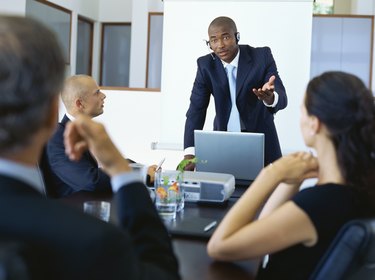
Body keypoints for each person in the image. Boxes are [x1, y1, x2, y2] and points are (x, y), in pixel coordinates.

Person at [0, 15, 180, 280]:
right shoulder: (96, 243)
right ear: (53, 112)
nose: (104, 95)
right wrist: (124, 173)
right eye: (98, 91)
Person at [207, 71, 375, 279]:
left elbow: (219, 246)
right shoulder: (357, 191)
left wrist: (272, 173)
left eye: (302, 111)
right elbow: (265, 227)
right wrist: (293, 179)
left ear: (315, 123)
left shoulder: (318, 205)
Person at [182, 16, 287, 170]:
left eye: (226, 37)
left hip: (261, 144)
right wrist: (190, 153)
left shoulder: (261, 57)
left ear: (237, 37)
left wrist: (270, 98)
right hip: (223, 144)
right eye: (214, 40)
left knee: (265, 193)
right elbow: (196, 110)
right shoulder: (205, 66)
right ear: (209, 44)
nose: (220, 45)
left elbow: (282, 98)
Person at [46, 75, 156, 197]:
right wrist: (141, 174)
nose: (103, 96)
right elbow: (91, 181)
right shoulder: (58, 138)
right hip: (77, 210)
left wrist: (144, 169)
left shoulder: (88, 130)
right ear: (79, 103)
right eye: (97, 93)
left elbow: (109, 162)